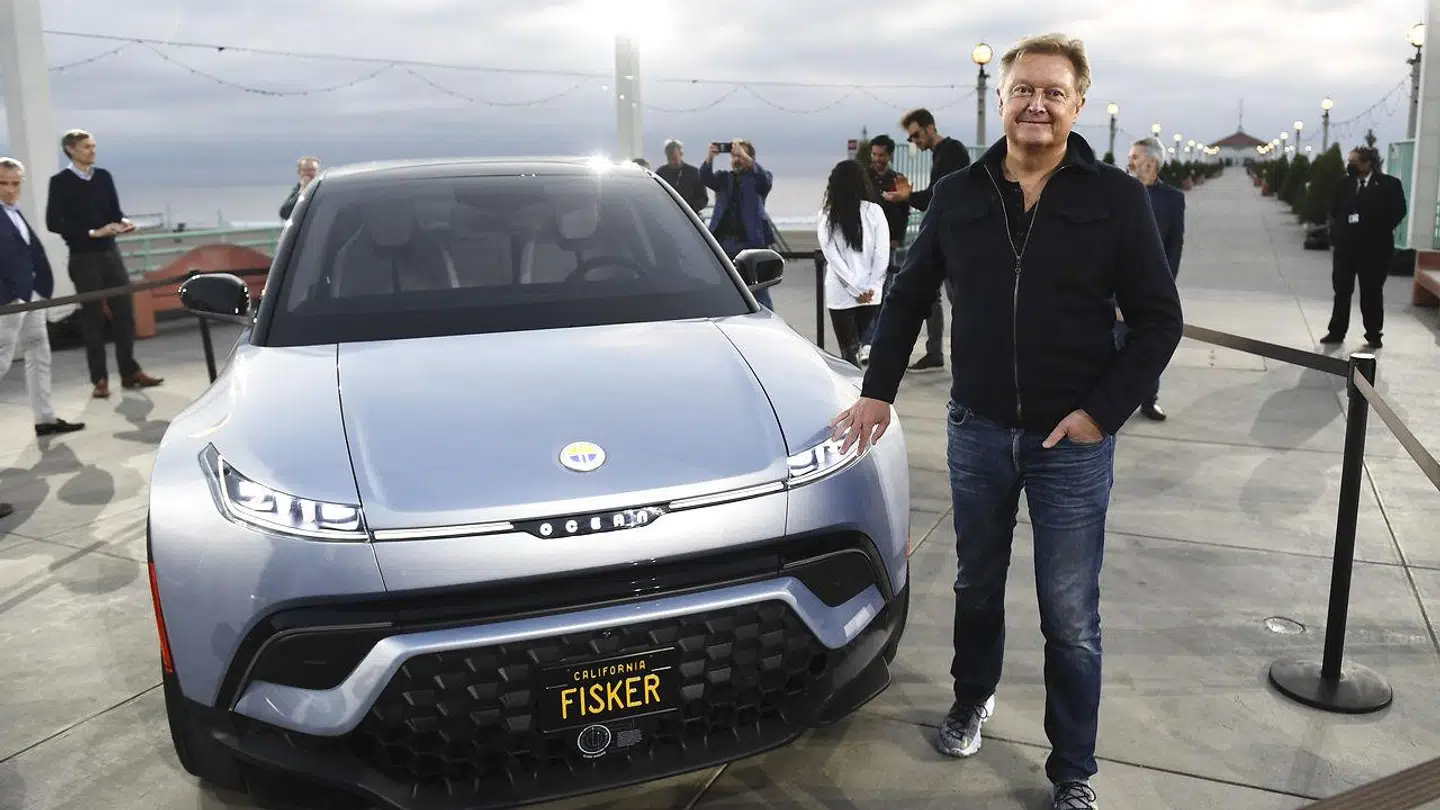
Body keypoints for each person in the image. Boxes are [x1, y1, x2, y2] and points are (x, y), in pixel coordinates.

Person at [828, 33, 1183, 810]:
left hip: (1072, 446)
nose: (1037, 104)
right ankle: (972, 697)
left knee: (1070, 614)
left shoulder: (1115, 199)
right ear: (1001, 100)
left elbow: (1160, 321)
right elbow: (910, 295)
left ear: (1078, 104)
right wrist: (877, 389)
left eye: (1055, 92)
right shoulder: (958, 193)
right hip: (978, 430)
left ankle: (1073, 772)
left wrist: (1101, 414)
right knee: (976, 583)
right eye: (1024, 89)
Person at [45, 129, 163, 398]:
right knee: (92, 318)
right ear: (71, 149)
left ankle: (130, 372)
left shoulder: (104, 177)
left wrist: (125, 223)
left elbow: (114, 212)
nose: (92, 151)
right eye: (87, 147)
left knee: (125, 315)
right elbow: (53, 222)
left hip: (111, 255)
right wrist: (91, 233)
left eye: (93, 146)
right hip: (83, 258)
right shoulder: (60, 182)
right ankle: (99, 379)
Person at [0, 157, 86, 439]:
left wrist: (41, 289)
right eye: (3, 183)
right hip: (9, 301)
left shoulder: (15, 212)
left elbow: (28, 252)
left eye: (15, 184)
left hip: (32, 296)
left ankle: (45, 418)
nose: (10, 190)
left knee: (39, 352)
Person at [882, 109, 972, 371]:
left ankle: (964, 359)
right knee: (929, 296)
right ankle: (935, 352)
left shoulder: (952, 150)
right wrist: (909, 196)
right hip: (942, 237)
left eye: (916, 135)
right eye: (911, 138)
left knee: (959, 300)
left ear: (930, 127)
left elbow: (940, 196)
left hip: (956, 238)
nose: (915, 141)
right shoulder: (940, 154)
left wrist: (906, 197)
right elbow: (936, 199)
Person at [1120, 136, 1186, 421]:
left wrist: (1164, 285)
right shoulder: (1120, 192)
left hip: (1152, 288)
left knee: (1150, 347)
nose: (1130, 162)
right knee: (1113, 347)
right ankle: (1111, 406)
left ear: (1153, 161)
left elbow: (1175, 245)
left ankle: (1149, 400)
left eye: (1135, 157)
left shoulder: (1173, 199)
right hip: (1115, 287)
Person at [1321, 145, 1406, 349]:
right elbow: (1334, 210)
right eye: (1348, 160)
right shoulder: (1343, 184)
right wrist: (1338, 233)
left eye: (1354, 161)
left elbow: (1398, 211)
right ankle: (1336, 331)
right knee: (1342, 291)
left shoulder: (1389, 185)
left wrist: (1377, 228)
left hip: (1375, 251)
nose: (1350, 165)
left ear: (1368, 164)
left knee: (1372, 293)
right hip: (1346, 250)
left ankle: (1374, 334)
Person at [816, 159, 889, 367]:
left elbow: (832, 256)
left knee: (849, 355)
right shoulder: (874, 211)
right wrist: (869, 287)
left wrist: (855, 289)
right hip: (871, 294)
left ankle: (852, 395)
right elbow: (882, 255)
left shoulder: (826, 215)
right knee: (869, 356)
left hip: (841, 293)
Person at [700, 139, 776, 308]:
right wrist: (710, 158)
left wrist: (743, 155)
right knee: (726, 288)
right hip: (724, 242)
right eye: (734, 156)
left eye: (740, 155)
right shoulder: (724, 178)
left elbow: (765, 181)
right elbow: (706, 177)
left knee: (758, 289)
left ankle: (765, 323)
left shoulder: (758, 179)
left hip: (751, 242)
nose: (736, 159)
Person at [655, 139, 709, 215]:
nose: (672, 161)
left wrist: (688, 207)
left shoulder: (694, 173)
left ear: (681, 154)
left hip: (689, 216)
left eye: (674, 158)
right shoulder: (660, 173)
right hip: (666, 215)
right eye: (669, 158)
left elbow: (703, 199)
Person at [280, 156, 321, 220]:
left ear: (318, 172)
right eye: (305, 170)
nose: (309, 173)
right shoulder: (298, 190)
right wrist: (302, 191)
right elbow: (284, 213)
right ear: (299, 172)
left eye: (312, 170)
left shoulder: (324, 189)